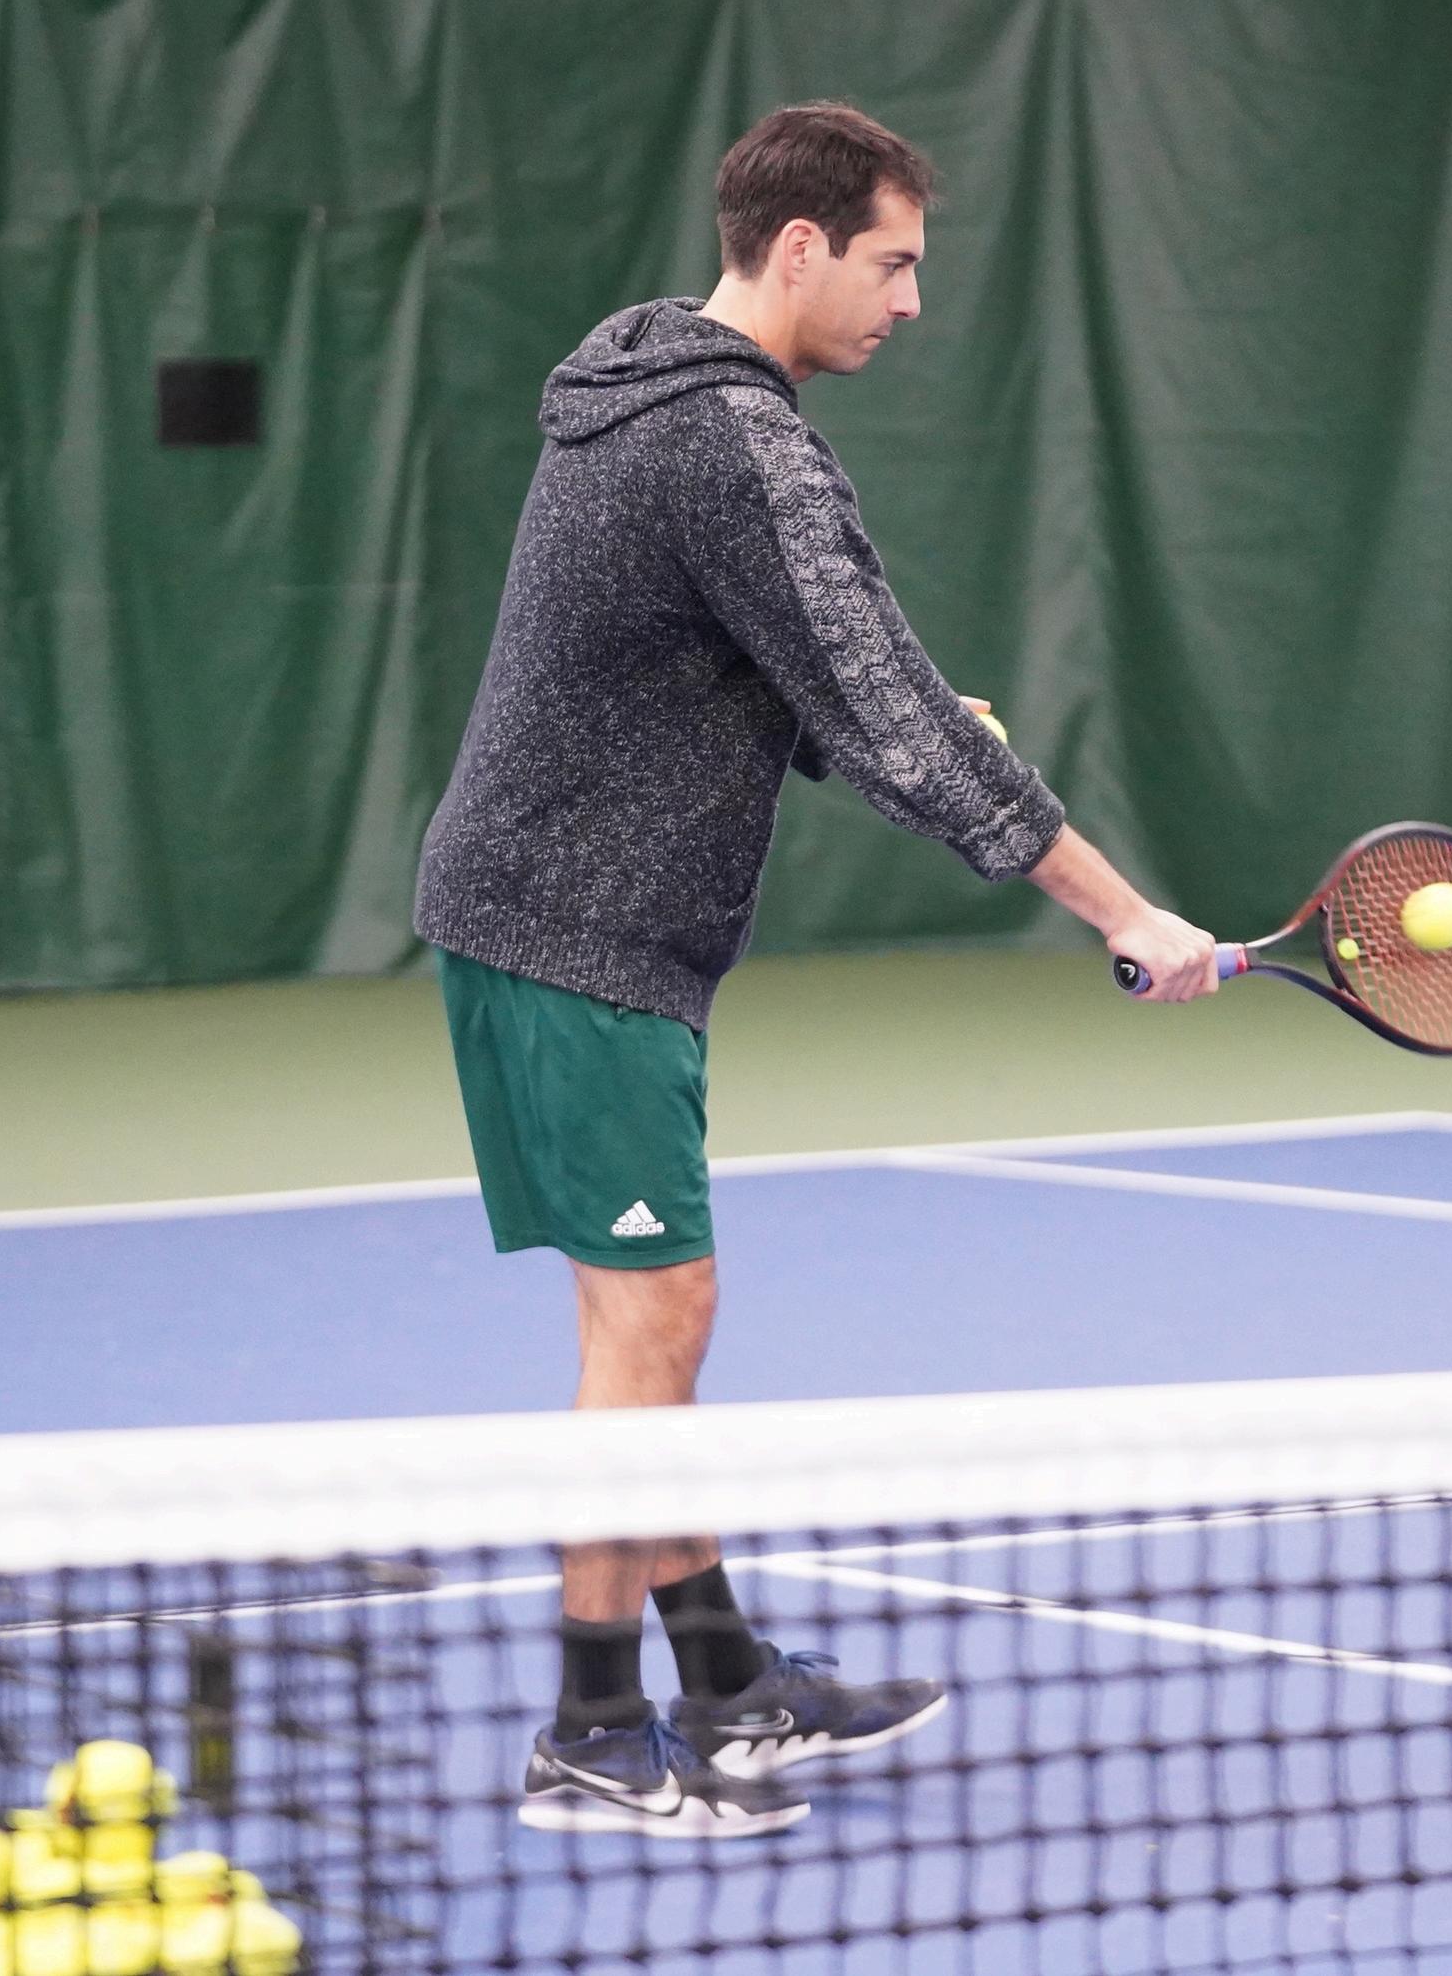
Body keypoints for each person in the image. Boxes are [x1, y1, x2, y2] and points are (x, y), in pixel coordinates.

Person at [413, 102, 1222, 1837]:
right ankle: (588, 1730)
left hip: (551, 907)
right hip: (578, 924)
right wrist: (1125, 911)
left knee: (647, 1321)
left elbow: (756, 671)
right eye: (894, 263)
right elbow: (895, 712)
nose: (912, 302)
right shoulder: (734, 439)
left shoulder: (638, 380)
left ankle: (724, 1680)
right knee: (655, 1318)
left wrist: (880, 724)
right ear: (799, 249)